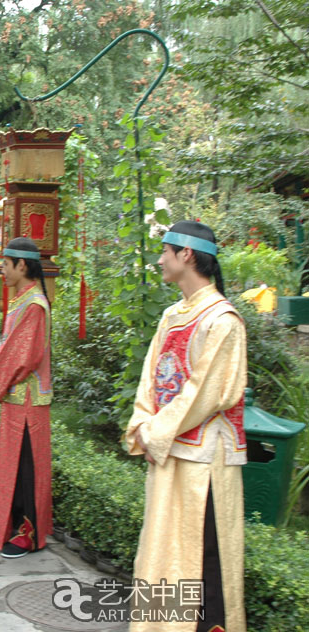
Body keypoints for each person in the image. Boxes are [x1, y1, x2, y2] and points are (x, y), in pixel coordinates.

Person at [124, 221, 246, 632]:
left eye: (165, 251)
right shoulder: (171, 316)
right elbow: (151, 379)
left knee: (202, 561)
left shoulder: (223, 320)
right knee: (162, 552)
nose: (159, 259)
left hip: (204, 462)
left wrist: (154, 430)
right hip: (169, 450)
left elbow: (207, 392)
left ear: (187, 255)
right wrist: (142, 421)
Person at [0, 237, 53, 559]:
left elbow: (23, 356)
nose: (2, 270)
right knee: (14, 464)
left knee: (26, 468)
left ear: (21, 265)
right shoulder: (21, 301)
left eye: (6, 264)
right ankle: (10, 526)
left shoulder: (34, 304)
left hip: (28, 401)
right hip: (18, 397)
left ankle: (28, 533)